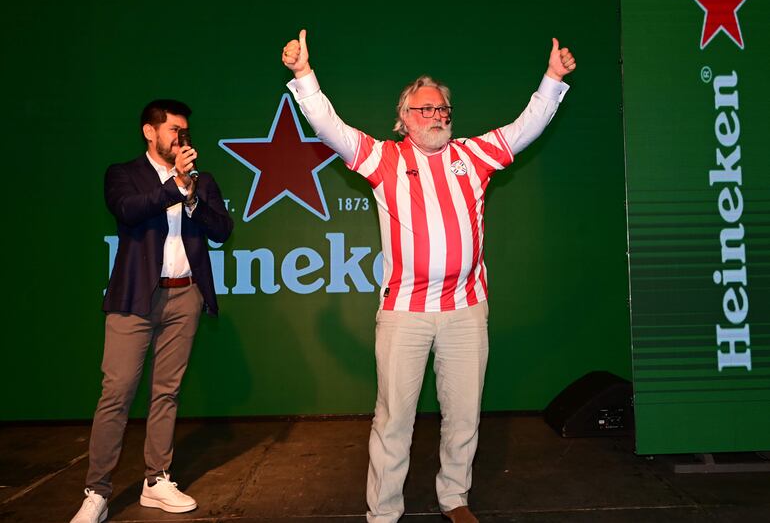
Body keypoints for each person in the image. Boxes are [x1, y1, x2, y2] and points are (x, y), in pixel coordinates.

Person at [282, 30, 575, 523]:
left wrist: (552, 78)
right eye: (425, 109)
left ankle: (454, 497)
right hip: (405, 314)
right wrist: (303, 75)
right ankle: (383, 511)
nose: (437, 116)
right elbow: (328, 127)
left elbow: (527, 127)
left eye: (442, 109)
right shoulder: (382, 158)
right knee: (394, 418)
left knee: (463, 416)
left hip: (465, 309)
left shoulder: (474, 155)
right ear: (403, 120)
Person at [70, 99, 234, 523]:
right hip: (134, 299)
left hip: (186, 296)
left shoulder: (202, 180)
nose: (181, 136)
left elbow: (222, 229)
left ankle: (156, 479)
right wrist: (175, 187)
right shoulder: (123, 175)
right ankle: (97, 491)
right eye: (173, 129)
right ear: (150, 131)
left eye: (185, 130)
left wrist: (192, 195)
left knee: (167, 391)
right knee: (117, 392)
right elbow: (128, 210)